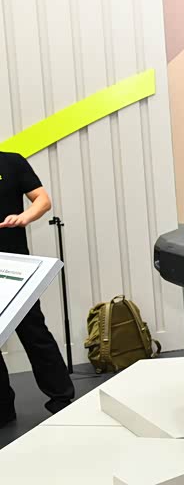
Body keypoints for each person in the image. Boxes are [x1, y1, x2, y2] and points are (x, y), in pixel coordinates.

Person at [0, 151, 74, 427]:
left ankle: (61, 399)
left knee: (34, 332)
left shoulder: (11, 162)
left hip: (14, 266)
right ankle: (3, 409)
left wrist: (25, 217)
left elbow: (42, 200)